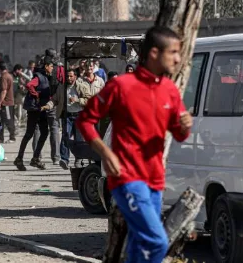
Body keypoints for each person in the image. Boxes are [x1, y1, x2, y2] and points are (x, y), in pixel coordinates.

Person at [76, 26, 193, 263]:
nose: (178, 58)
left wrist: (185, 124)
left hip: (155, 180)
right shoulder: (121, 87)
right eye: (173, 52)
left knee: (140, 244)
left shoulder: (170, 90)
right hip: (127, 180)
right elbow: (85, 121)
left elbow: (180, 136)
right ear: (153, 54)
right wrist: (105, 152)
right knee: (158, 241)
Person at [0, 61, 16, 143]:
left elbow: (4, 90)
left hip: (6, 103)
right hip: (5, 103)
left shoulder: (4, 77)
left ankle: (12, 137)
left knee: (8, 120)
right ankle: (0, 137)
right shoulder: (8, 75)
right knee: (0, 121)